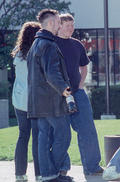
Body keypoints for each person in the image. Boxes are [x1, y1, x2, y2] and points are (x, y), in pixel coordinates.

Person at [55, 13, 103, 180]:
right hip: (57, 95)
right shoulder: (51, 44)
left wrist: (81, 86)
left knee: (87, 130)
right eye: (67, 25)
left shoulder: (77, 45)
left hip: (77, 93)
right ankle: (62, 168)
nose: (71, 28)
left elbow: (84, 67)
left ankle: (92, 167)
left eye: (72, 25)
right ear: (59, 25)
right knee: (61, 133)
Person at [27, 9, 73, 182]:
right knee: (63, 135)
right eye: (58, 22)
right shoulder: (49, 45)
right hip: (51, 102)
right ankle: (52, 172)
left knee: (44, 138)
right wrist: (66, 91)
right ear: (51, 23)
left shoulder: (36, 44)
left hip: (38, 102)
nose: (60, 25)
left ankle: (48, 176)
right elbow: (52, 73)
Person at [11, 21, 41, 182]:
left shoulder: (17, 52)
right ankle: (39, 174)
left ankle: (19, 174)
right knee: (37, 137)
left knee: (23, 136)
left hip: (19, 99)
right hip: (35, 101)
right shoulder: (38, 52)